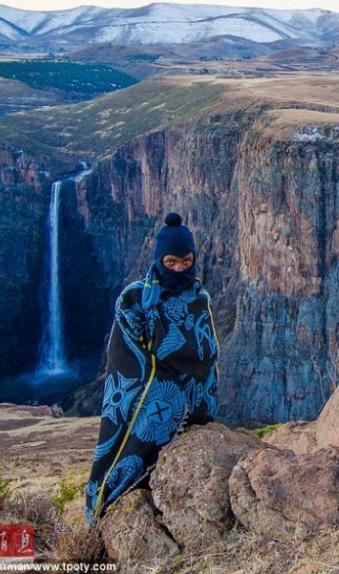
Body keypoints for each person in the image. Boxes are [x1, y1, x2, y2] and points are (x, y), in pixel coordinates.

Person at [86, 212, 220, 522]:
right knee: (136, 439)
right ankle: (109, 505)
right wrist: (167, 383)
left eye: (186, 262)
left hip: (191, 401)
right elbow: (124, 356)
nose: (178, 269)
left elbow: (208, 353)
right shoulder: (134, 298)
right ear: (159, 259)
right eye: (171, 262)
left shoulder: (200, 298)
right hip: (149, 398)